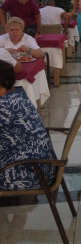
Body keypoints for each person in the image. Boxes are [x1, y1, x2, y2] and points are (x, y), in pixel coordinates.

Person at [0, 60, 57, 191]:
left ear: (5, 82)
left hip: (29, 174)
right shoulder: (18, 94)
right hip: (44, 167)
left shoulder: (4, 106)